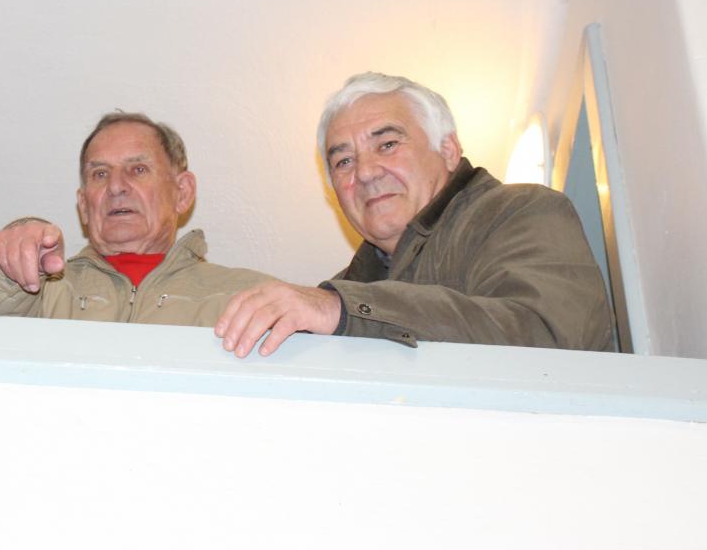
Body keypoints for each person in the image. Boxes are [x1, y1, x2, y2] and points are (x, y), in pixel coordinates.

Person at [216, 72, 613, 356]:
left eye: (387, 144)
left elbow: (547, 338)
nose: (365, 172)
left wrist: (345, 309)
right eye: (343, 161)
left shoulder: (519, 211)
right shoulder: (343, 289)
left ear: (448, 150)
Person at [0, 112, 269, 325]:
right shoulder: (40, 295)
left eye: (138, 169)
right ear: (83, 205)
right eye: (100, 173)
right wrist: (13, 255)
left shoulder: (251, 297)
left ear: (182, 192)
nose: (116, 186)